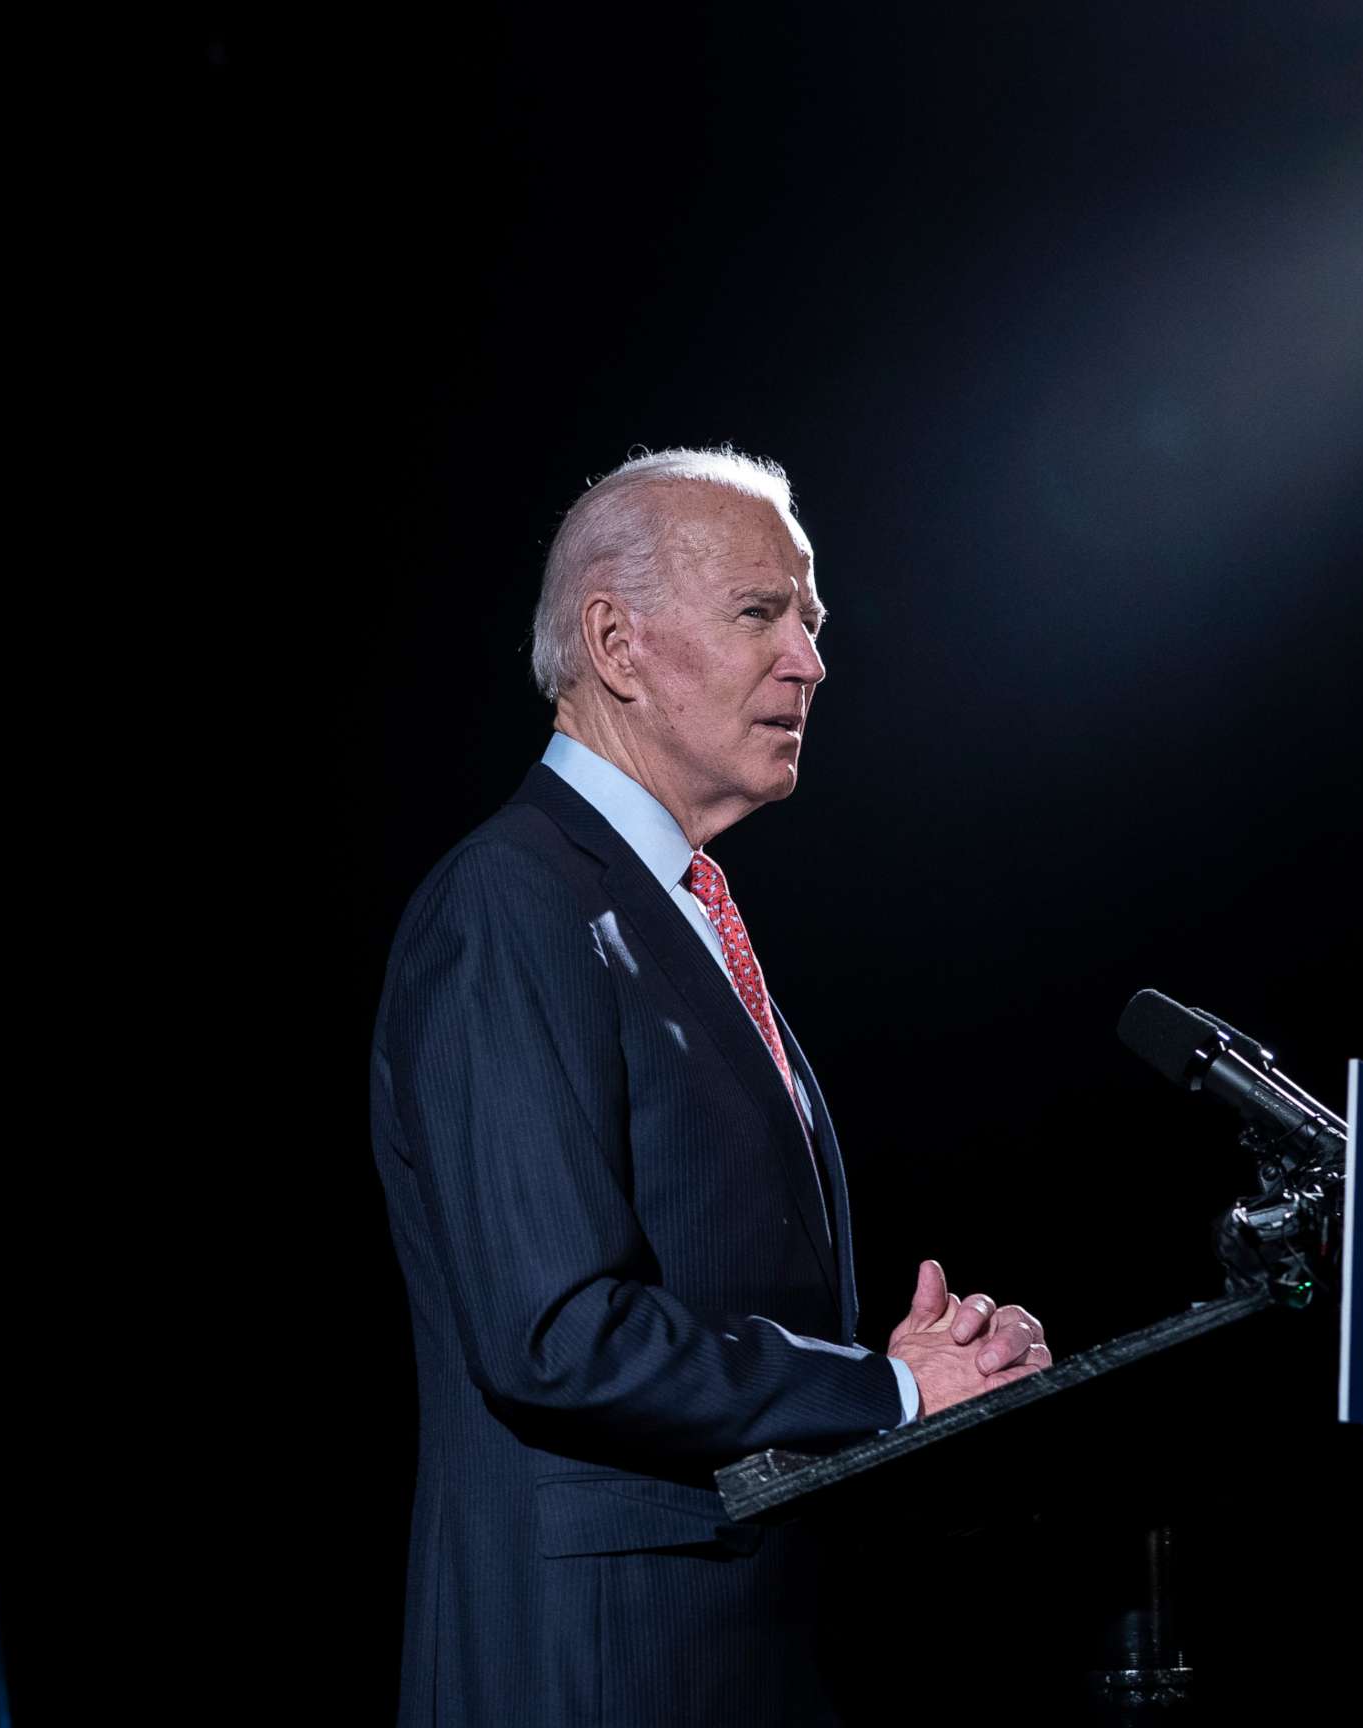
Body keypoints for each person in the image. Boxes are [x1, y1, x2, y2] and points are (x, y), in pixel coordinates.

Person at [367, 446, 1051, 1726]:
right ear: (617, 644)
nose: (809, 659)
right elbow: (557, 1335)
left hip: (737, 1653)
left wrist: (893, 1367)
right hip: (598, 1666)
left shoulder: (665, 909)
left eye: (812, 619)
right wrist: (887, 1393)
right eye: (761, 612)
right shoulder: (511, 903)